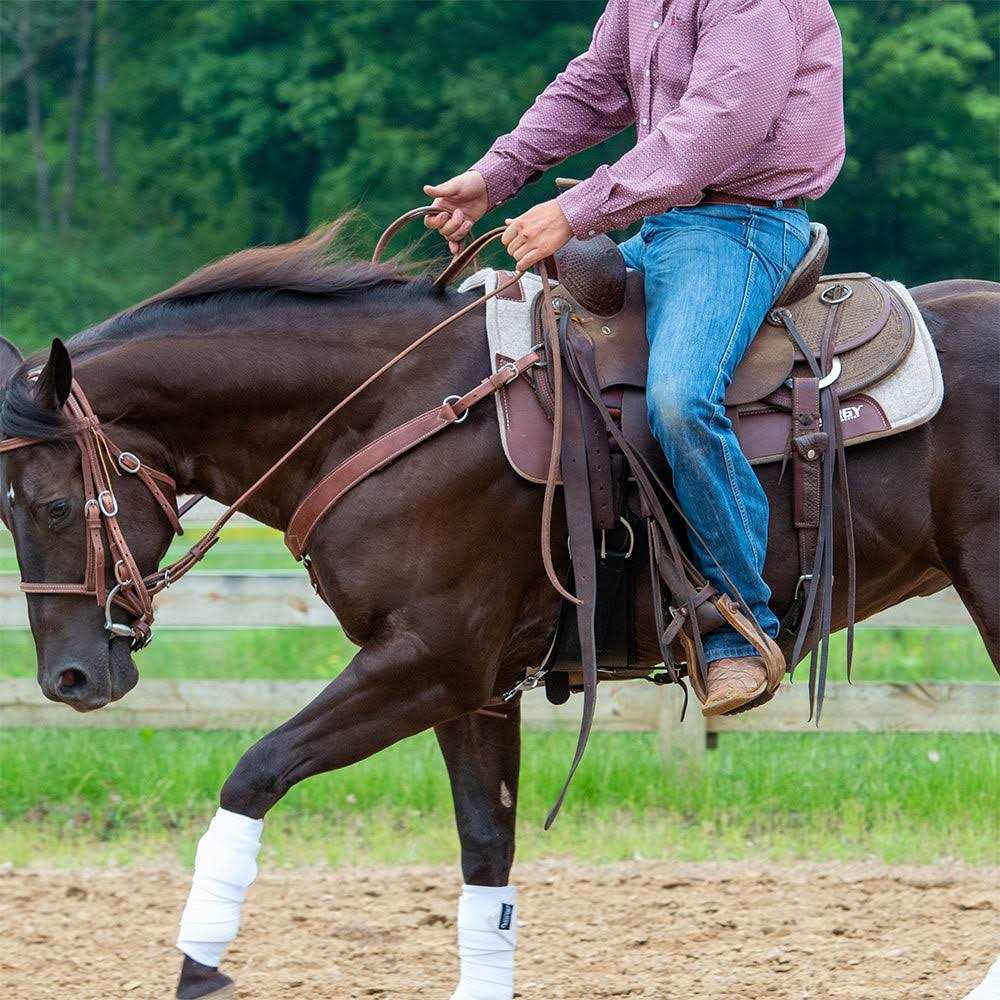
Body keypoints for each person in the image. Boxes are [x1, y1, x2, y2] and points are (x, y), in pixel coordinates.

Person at [423, 0, 845, 716]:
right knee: (533, 373)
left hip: (741, 226)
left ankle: (740, 628)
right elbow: (592, 86)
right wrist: (496, 175)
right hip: (660, 220)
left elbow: (715, 124)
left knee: (680, 399)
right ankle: (568, 607)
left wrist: (578, 209)